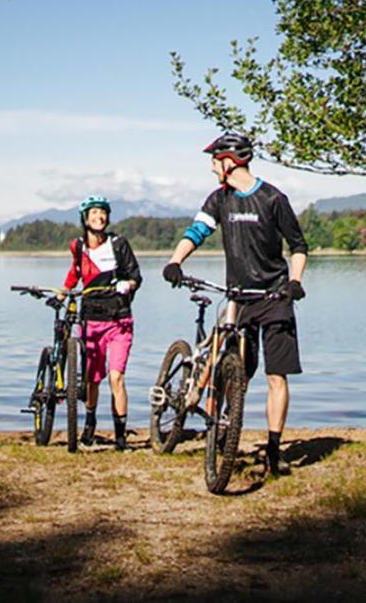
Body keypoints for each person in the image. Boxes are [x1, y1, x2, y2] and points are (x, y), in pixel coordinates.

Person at [161, 133, 308, 477]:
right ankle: (223, 426)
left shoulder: (273, 198)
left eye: (214, 160)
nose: (211, 167)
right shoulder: (219, 200)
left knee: (276, 376)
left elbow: (298, 246)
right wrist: (175, 261)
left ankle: (274, 450)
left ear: (229, 161)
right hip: (238, 298)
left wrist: (295, 283)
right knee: (235, 369)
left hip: (275, 297)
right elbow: (197, 231)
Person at [61, 195, 141, 450]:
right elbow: (75, 272)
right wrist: (63, 291)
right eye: (94, 213)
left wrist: (128, 285)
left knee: (116, 377)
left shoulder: (119, 244)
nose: (99, 217)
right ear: (85, 219)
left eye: (103, 213)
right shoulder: (78, 246)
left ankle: (120, 436)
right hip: (91, 320)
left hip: (119, 320)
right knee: (92, 379)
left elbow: (136, 276)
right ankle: (90, 424)